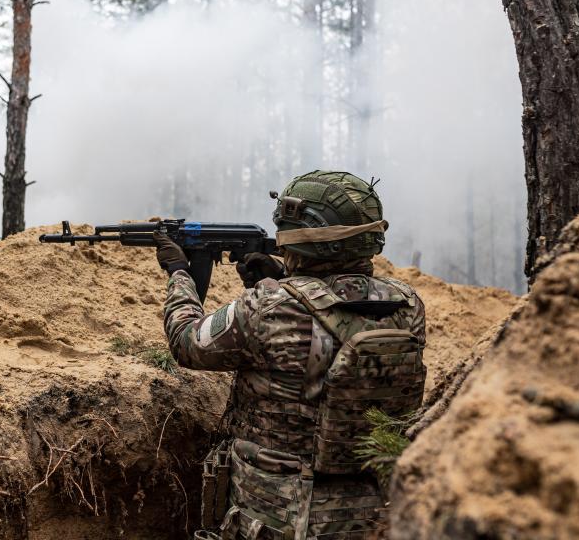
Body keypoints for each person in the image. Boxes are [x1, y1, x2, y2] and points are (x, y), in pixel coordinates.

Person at [154, 171, 427, 540]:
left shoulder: (267, 307)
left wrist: (180, 273)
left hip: (277, 512)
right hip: (375, 510)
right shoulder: (408, 305)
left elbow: (187, 340)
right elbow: (344, 307)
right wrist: (284, 278)